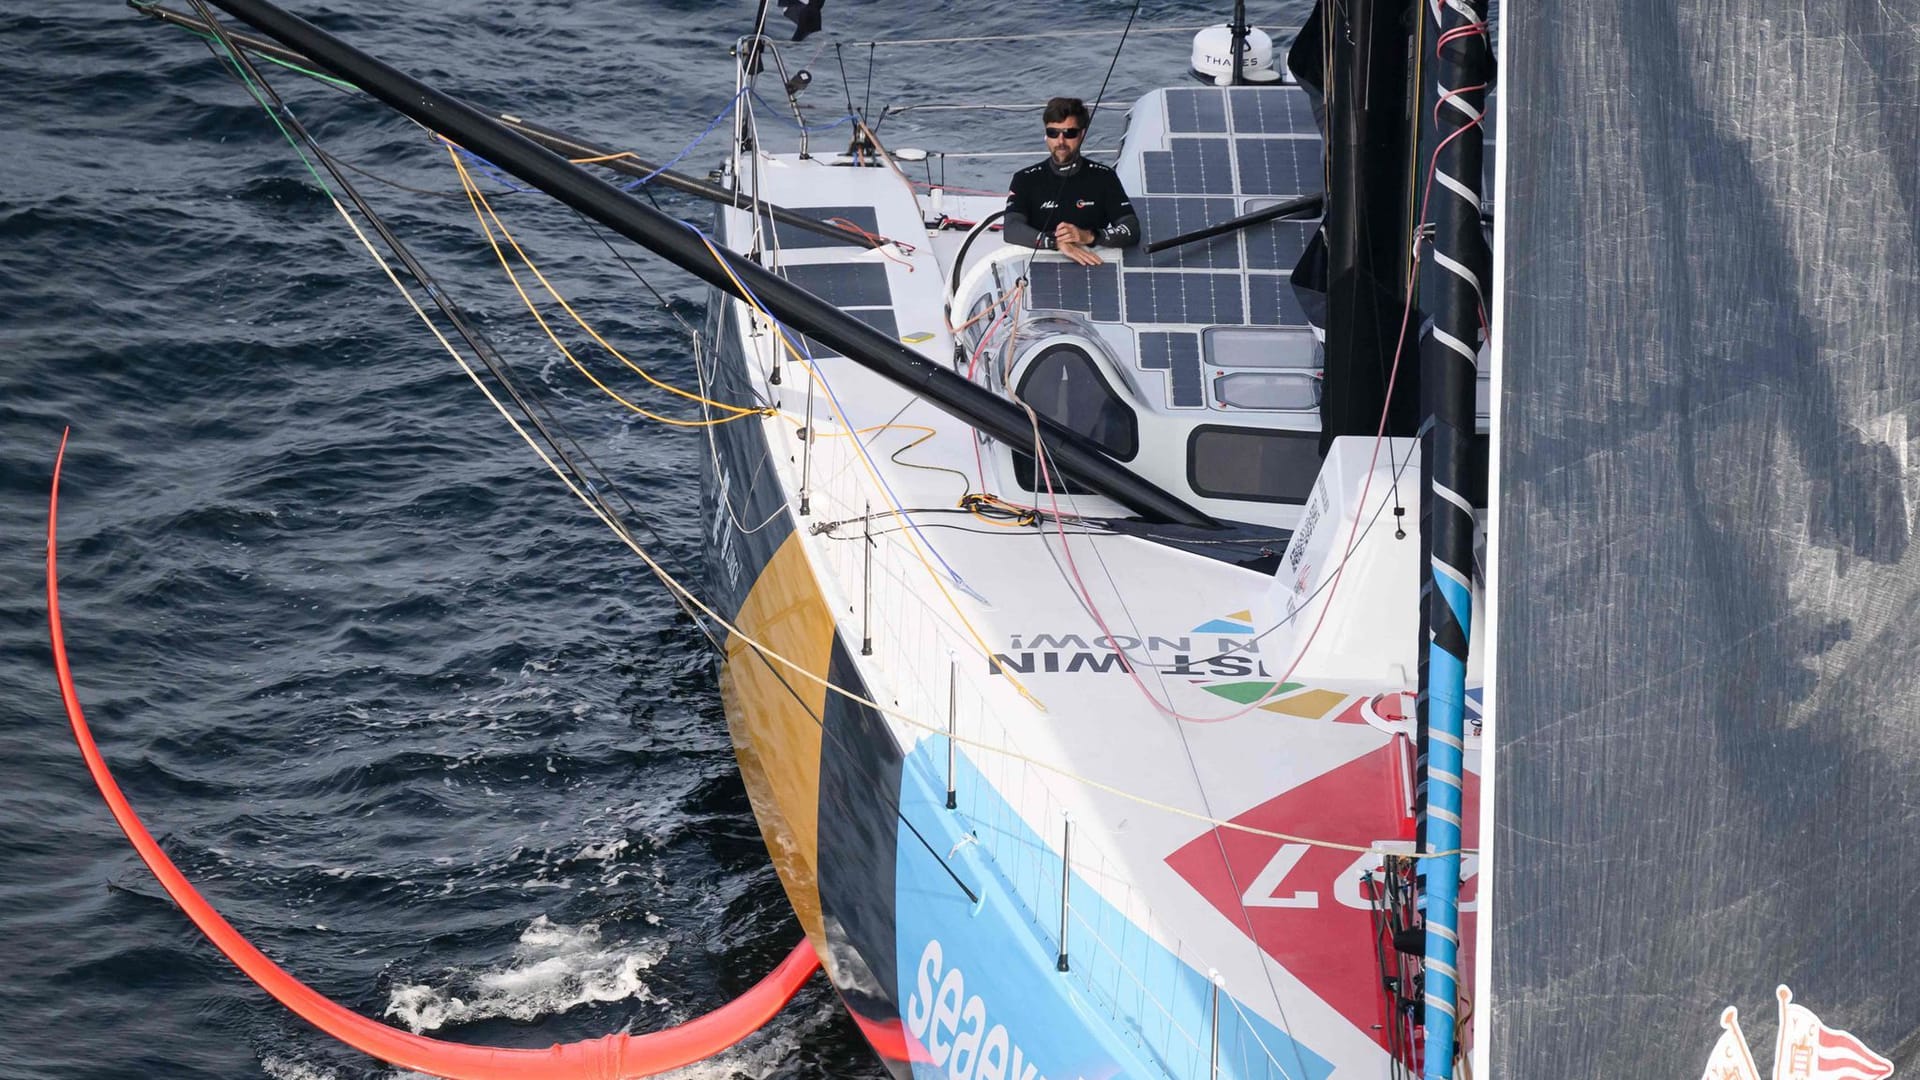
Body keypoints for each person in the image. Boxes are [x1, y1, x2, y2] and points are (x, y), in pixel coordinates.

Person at [1004, 98, 1141, 266]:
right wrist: (1057, 243)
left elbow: (1132, 229)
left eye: (1069, 133)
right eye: (1053, 133)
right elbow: (1011, 229)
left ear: (1082, 134)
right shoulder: (1025, 179)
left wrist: (1088, 236)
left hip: (1093, 266)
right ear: (1046, 135)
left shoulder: (1104, 177)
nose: (1060, 141)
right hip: (1040, 271)